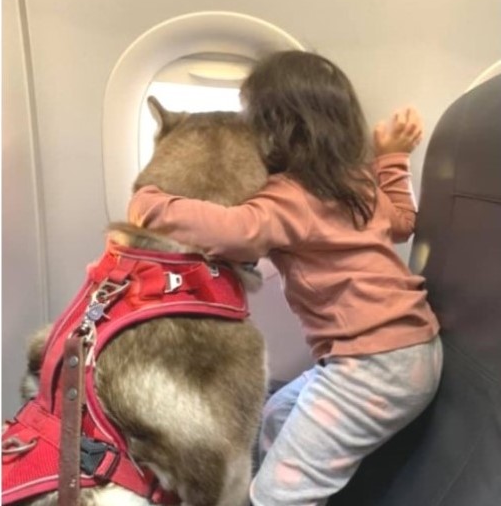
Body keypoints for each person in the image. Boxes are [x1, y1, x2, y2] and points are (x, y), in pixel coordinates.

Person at [128, 50, 442, 505]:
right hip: (413, 351)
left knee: (281, 495)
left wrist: (151, 203)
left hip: (371, 369)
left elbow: (232, 230)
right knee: (276, 413)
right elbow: (402, 223)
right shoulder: (355, 181)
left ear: (271, 130)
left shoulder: (288, 198)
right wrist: (392, 158)